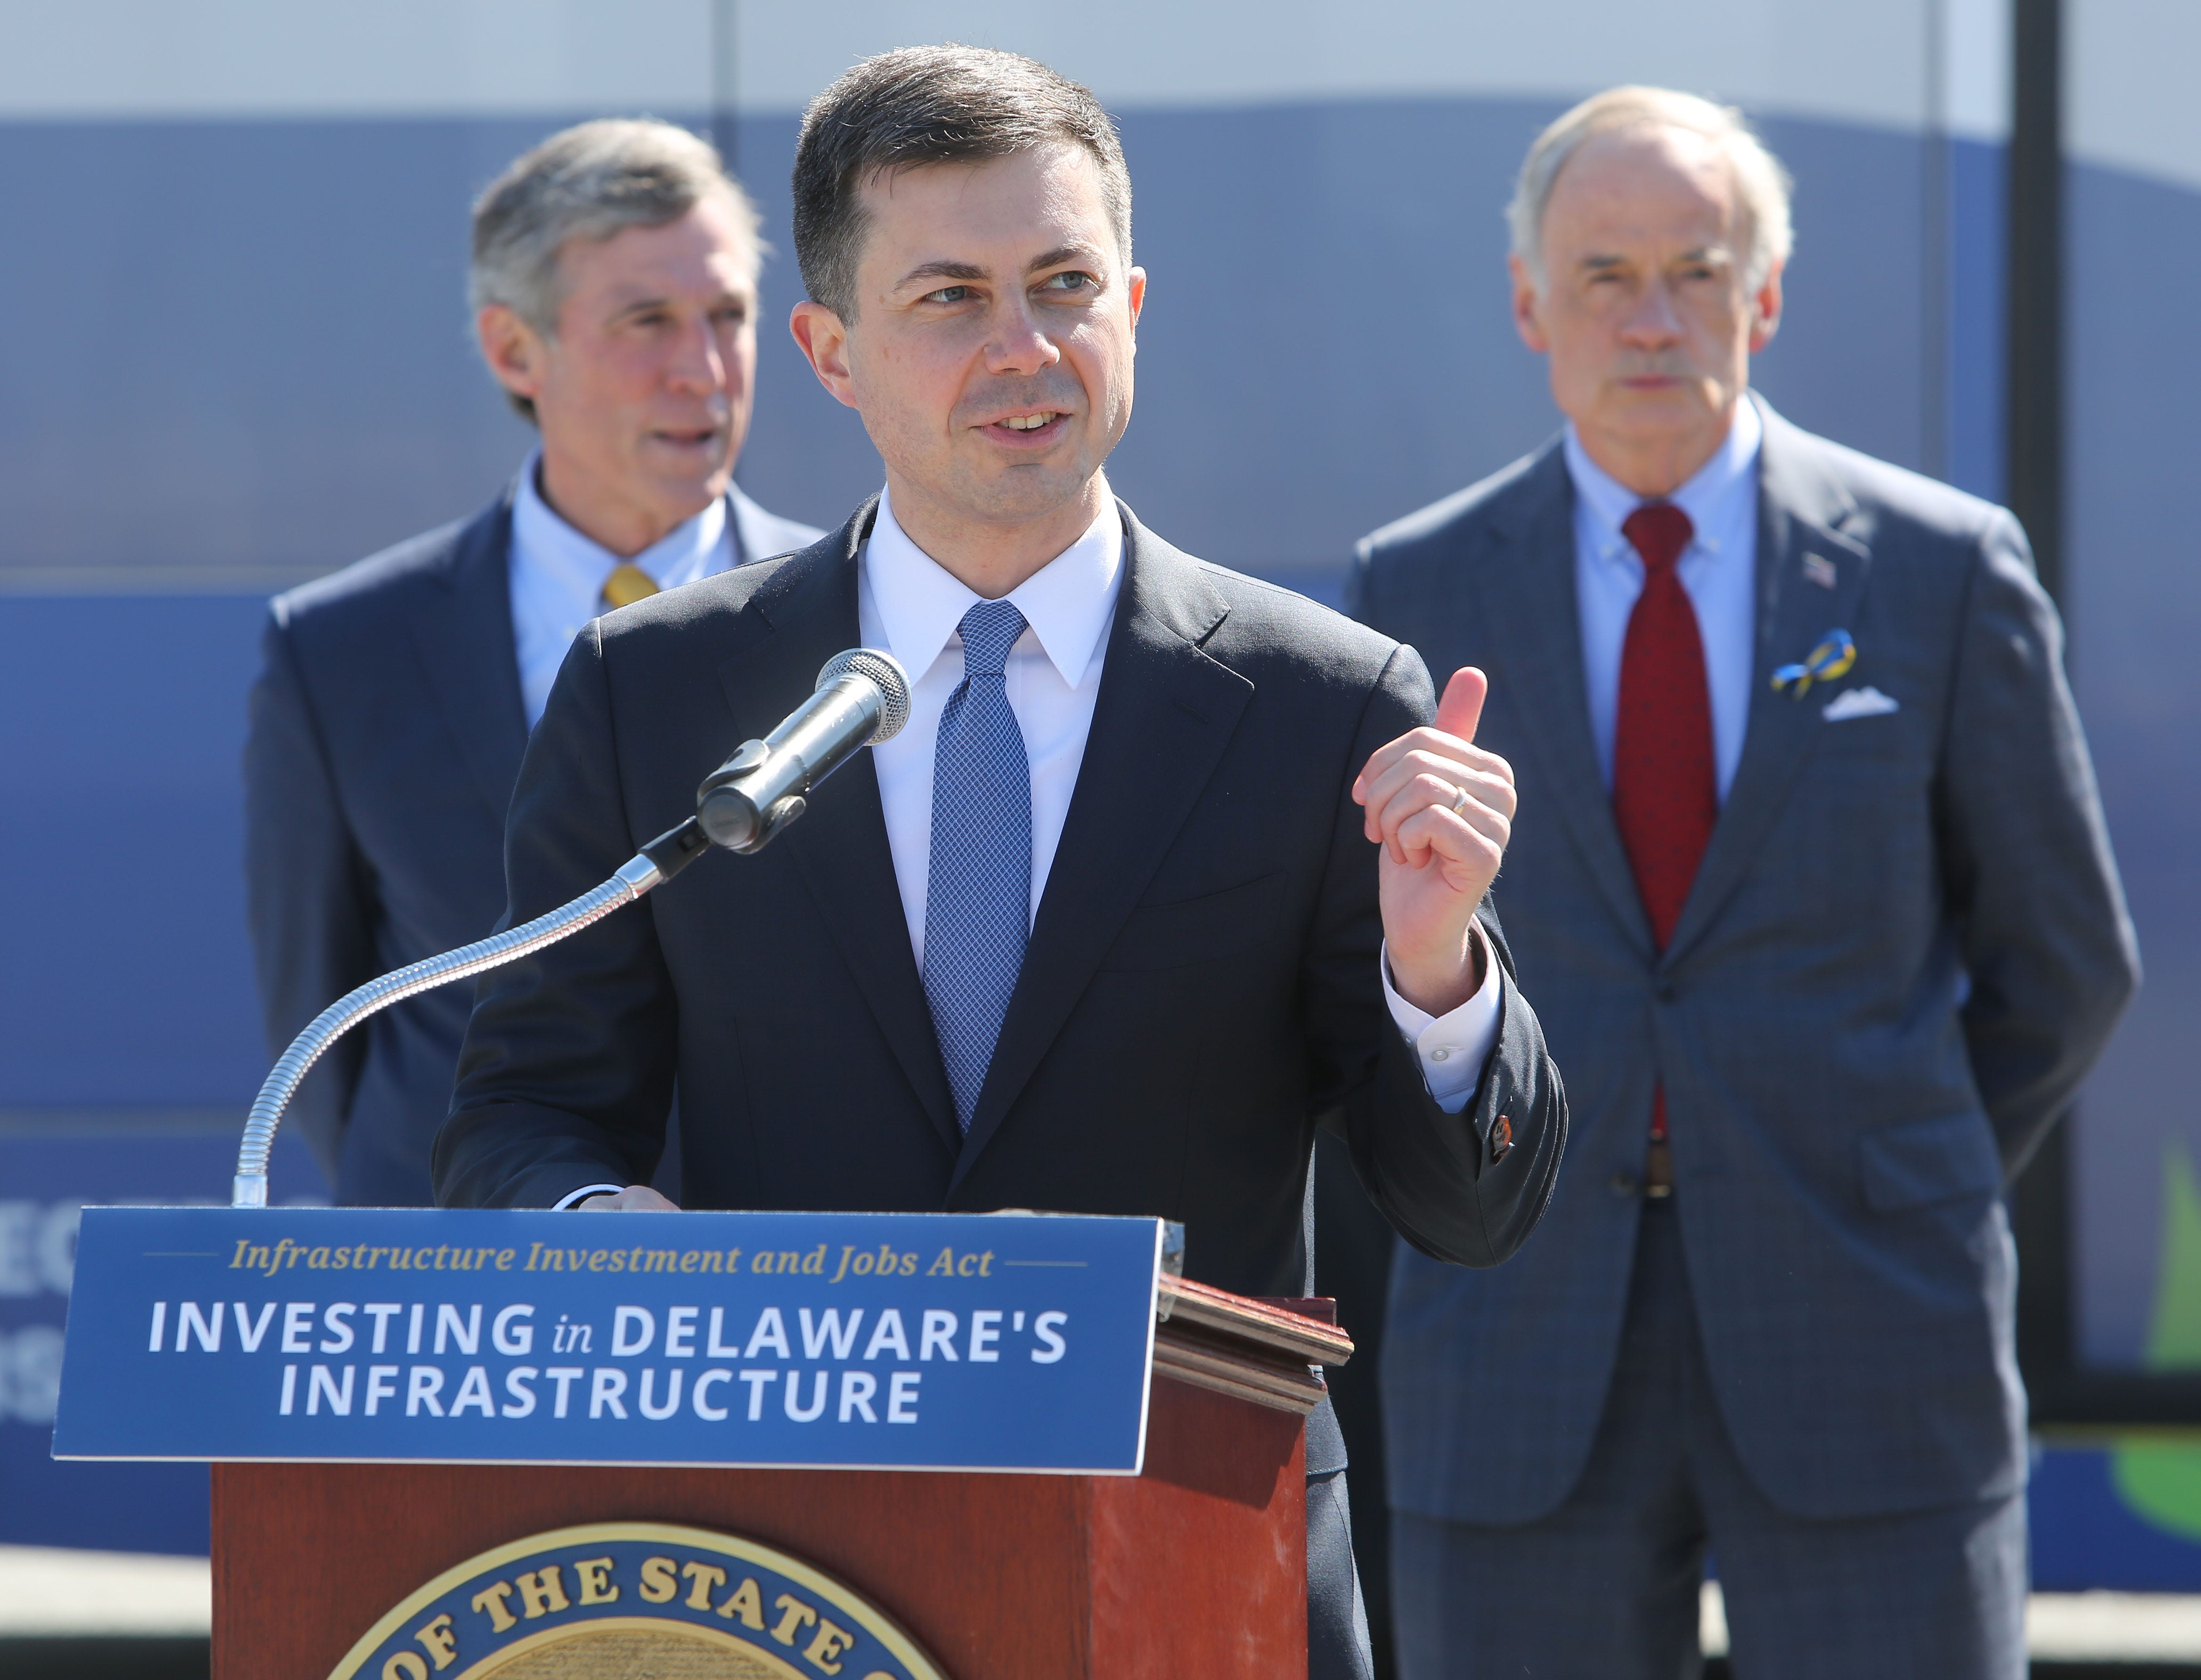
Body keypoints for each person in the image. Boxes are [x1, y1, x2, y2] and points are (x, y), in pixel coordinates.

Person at [435, 47, 1566, 1679]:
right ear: (827, 349)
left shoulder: (1329, 701)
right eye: (950, 297)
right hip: (778, 1571)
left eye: (1063, 284)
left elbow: (1467, 1212)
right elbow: (521, 1110)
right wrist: (606, 1226)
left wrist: (1441, 975)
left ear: (1135, 303)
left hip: (1195, 1568)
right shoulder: (659, 691)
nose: (1023, 349)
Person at [1351, 87, 2138, 1680]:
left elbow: (2062, 963)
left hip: (1868, 1335)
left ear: (1765, 296)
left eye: (1698, 271)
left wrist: (1888, 1167)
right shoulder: (1414, 588)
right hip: (1521, 1341)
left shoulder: (1941, 569)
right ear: (1529, 304)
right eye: (1603, 275)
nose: (1652, 318)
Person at [245, 120, 822, 1207]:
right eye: (646, 321)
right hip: (461, 1296)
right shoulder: (339, 650)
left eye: (727, 318)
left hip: (771, 1290)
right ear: (515, 350)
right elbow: (327, 1037)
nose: (701, 370)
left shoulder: (858, 620)